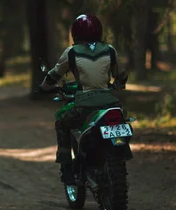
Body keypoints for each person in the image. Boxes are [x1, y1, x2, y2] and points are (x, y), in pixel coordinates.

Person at [40, 14, 128, 185]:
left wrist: (44, 88)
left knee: (62, 123)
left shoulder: (71, 52)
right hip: (111, 105)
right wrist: (116, 86)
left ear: (75, 33)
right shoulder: (110, 50)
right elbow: (121, 76)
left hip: (84, 106)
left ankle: (66, 168)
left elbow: (54, 75)